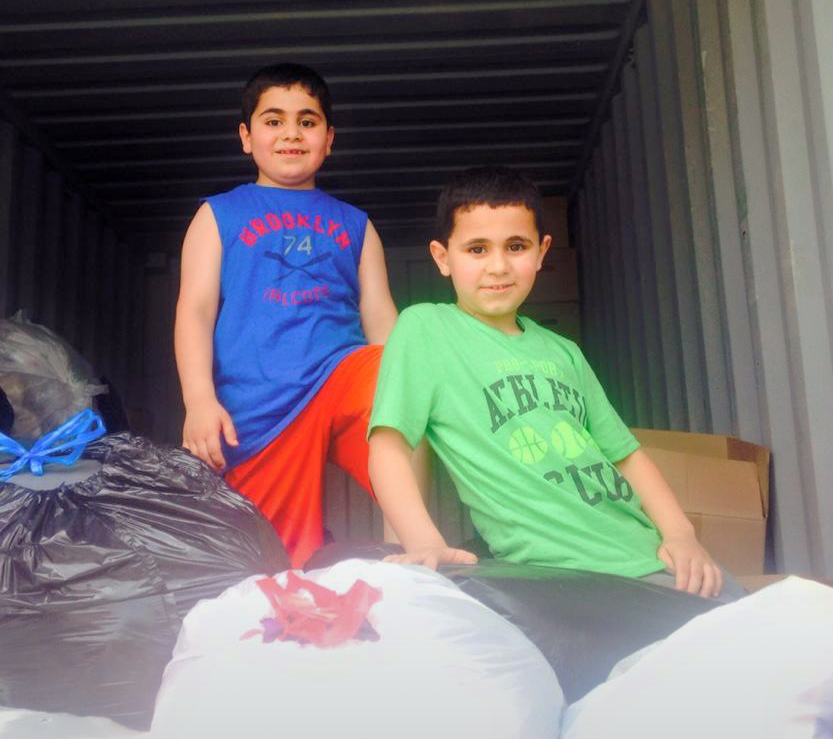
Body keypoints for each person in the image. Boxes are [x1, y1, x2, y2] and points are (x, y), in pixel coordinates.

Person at [369, 165, 736, 599]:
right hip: (564, 571)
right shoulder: (427, 329)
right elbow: (388, 446)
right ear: (442, 257)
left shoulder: (564, 352)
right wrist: (424, 542)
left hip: (649, 554)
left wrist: (680, 535)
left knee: (751, 614)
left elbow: (626, 456)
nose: (498, 266)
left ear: (542, 252)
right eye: (477, 249)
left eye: (516, 246)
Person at [174, 63, 403, 568]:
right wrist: (199, 400)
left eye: (307, 121)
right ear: (246, 137)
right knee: (280, 563)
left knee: (405, 384)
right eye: (273, 120)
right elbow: (195, 310)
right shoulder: (218, 214)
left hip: (339, 377)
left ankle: (406, 546)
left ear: (329, 139)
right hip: (258, 411)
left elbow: (381, 318)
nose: (291, 133)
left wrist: (414, 386)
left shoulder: (356, 224)